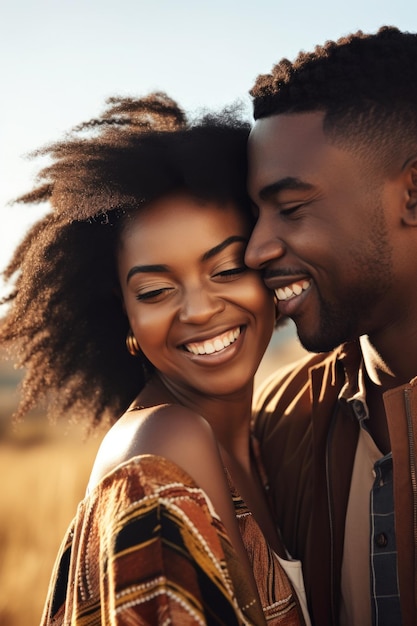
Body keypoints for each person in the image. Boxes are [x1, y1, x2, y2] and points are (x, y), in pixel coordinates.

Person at [0, 93, 310, 625]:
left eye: (227, 269)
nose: (199, 309)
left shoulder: (260, 440)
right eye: (154, 291)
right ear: (123, 318)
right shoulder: (166, 444)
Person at [244, 25, 417, 626]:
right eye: (256, 215)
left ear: (412, 195)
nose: (255, 249)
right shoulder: (275, 423)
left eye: (291, 208)